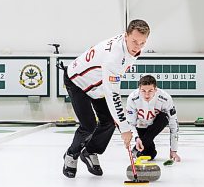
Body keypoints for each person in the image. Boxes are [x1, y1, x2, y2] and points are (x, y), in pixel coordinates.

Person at [62, 19, 150, 178]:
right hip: (77, 82)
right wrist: (124, 129)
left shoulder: (132, 48)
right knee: (88, 125)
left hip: (98, 83)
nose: (137, 46)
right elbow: (113, 94)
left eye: (142, 43)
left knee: (109, 121)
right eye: (134, 41)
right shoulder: (114, 57)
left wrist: (120, 123)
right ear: (126, 35)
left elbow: (110, 89)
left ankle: (90, 152)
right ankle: (71, 154)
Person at [126, 75, 181, 162]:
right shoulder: (132, 98)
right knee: (151, 154)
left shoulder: (165, 98)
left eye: (150, 91)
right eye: (143, 91)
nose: (146, 94)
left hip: (156, 124)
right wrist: (137, 138)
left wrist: (173, 150)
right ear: (139, 89)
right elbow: (130, 123)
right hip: (141, 126)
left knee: (165, 117)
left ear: (155, 89)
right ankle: (141, 146)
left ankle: (136, 149)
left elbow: (174, 124)